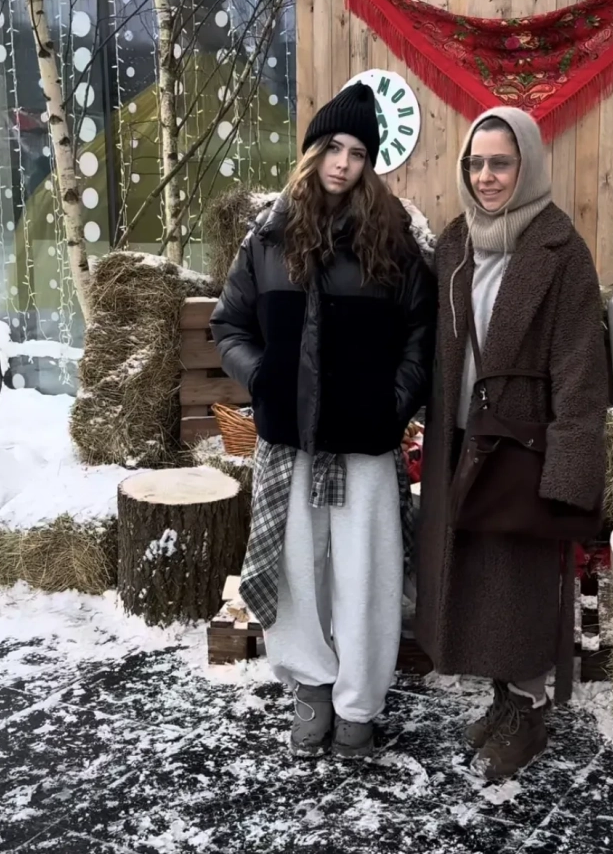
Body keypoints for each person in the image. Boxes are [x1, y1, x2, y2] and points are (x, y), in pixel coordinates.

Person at [211, 83, 437, 759]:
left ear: (370, 163)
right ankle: (311, 687)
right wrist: (264, 379)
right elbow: (229, 324)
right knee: (299, 573)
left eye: (358, 152)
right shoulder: (269, 235)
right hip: (291, 442)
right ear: (312, 151)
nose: (343, 163)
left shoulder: (393, 239)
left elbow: (421, 336)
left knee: (367, 578)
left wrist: (392, 404)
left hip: (365, 443)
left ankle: (358, 705)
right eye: (333, 147)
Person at [416, 107, 607, 781]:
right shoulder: (454, 244)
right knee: (476, 576)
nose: (487, 176)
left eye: (501, 163)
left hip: (525, 442)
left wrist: (569, 469)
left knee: (519, 578)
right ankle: (503, 696)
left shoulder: (561, 251)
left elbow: (581, 369)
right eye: (476, 164)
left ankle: (529, 711)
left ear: (526, 165)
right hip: (462, 436)